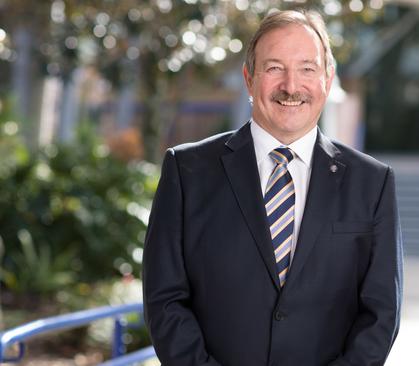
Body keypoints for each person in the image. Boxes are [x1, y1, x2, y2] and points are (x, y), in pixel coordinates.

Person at [143, 9, 403, 366]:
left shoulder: (372, 183)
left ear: (328, 79)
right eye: (274, 67)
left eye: (307, 69)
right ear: (249, 78)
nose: (291, 86)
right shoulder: (187, 172)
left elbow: (382, 313)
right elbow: (165, 299)